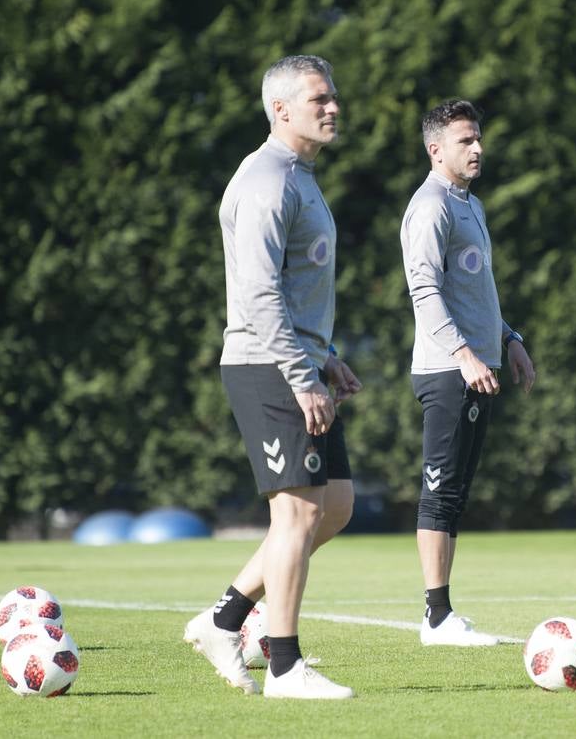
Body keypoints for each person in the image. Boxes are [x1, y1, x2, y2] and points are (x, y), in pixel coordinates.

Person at [183, 54, 361, 699]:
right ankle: (285, 666)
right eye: (319, 98)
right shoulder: (265, 180)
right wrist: (301, 375)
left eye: (334, 96)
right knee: (298, 512)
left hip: (298, 359)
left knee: (334, 507)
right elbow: (257, 295)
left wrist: (326, 353)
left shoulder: (300, 174)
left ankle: (223, 620)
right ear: (281, 109)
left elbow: (294, 289)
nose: (333, 106)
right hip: (266, 364)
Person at [399, 98, 536, 647]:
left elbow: (479, 291)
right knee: (440, 490)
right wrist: (464, 355)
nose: (477, 148)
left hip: (477, 366)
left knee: (455, 494)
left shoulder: (470, 206)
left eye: (478, 138)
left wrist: (509, 338)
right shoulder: (430, 207)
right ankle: (436, 617)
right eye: (464, 140)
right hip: (446, 371)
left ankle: (442, 615)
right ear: (436, 149)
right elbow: (424, 292)